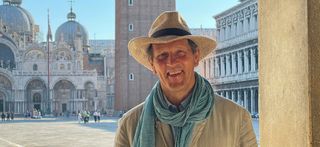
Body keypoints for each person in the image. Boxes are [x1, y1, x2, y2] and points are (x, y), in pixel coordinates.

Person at [114, 11, 257, 147]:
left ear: (195, 57)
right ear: (153, 65)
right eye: (162, 56)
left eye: (180, 53)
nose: (171, 62)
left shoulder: (237, 118)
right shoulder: (129, 125)